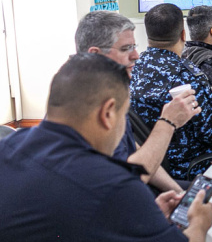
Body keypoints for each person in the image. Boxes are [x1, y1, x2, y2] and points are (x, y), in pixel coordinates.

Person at [0, 54, 212, 242]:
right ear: (108, 113)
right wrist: (200, 221)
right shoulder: (107, 182)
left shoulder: (2, 149)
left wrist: (140, 219)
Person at [75, 11, 196, 193]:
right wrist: (168, 122)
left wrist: (179, 192)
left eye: (134, 46)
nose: (136, 55)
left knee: (197, 193)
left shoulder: (109, 94)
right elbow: (128, 181)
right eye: (126, 49)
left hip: (131, 188)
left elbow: (135, 152)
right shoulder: (84, 108)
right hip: (117, 197)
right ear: (95, 55)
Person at [130, 3, 212, 180]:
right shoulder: (188, 77)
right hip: (193, 169)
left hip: (150, 167)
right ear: (183, 34)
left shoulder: (132, 70)